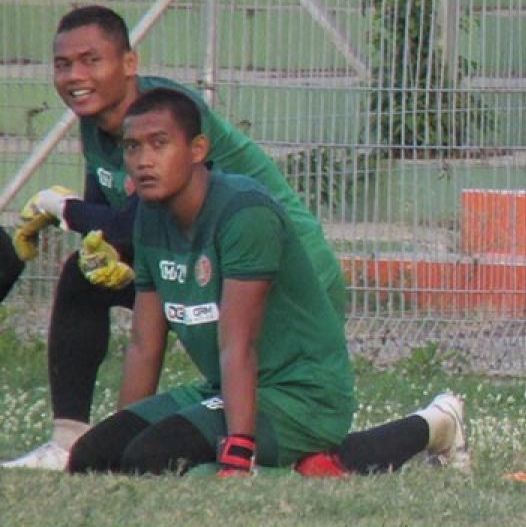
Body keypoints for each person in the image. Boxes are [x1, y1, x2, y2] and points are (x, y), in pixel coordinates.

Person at [1, 5, 347, 470]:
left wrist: (59, 208)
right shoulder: (101, 123)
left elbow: (125, 223)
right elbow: (117, 225)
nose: (75, 76)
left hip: (276, 266)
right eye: (63, 64)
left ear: (129, 64)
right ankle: (69, 439)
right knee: (82, 279)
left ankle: (283, 456)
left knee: (269, 399)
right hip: (200, 258)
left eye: (90, 60)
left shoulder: (171, 113)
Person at [68, 87, 468, 476]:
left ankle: (294, 468)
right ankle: (283, 462)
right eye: (132, 147)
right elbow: (144, 345)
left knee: (152, 458)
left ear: (198, 150)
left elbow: (239, 342)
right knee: (93, 458)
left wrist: (238, 455)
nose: (143, 160)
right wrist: (120, 442)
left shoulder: (244, 213)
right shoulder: (150, 217)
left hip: (301, 397)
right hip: (226, 390)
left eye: (159, 143)